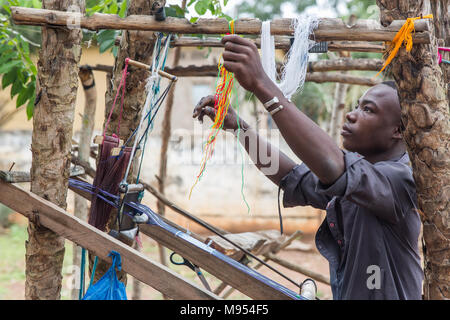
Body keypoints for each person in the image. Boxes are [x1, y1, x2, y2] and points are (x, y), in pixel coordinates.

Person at [192, 35, 423, 300]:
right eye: (357, 106)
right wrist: (238, 128)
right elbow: (293, 179)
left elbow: (332, 165)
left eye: (368, 110)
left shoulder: (400, 179)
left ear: (397, 130)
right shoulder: (359, 182)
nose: (352, 114)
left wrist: (263, 85)